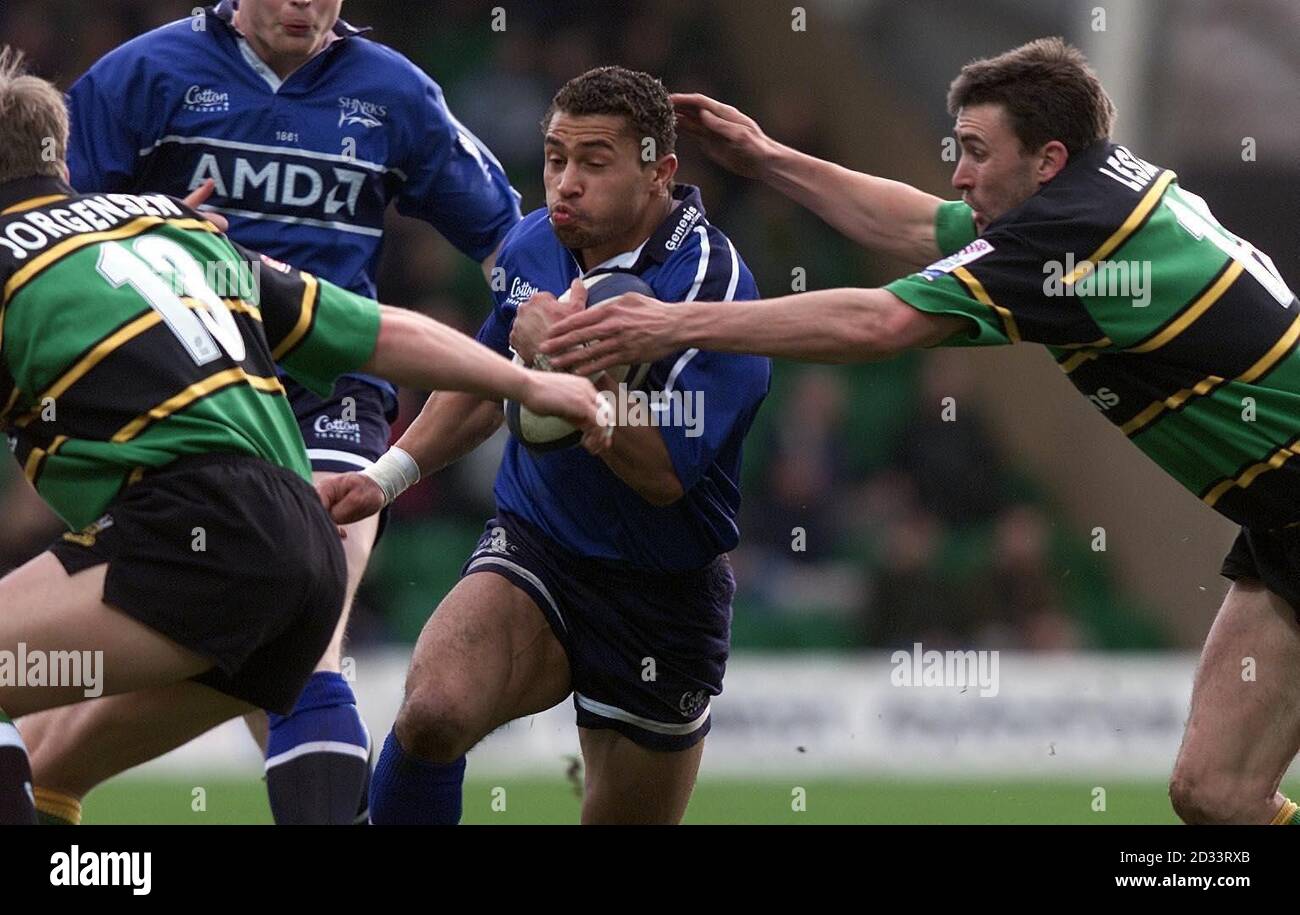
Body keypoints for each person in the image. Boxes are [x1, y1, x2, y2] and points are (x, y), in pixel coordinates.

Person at [541, 38, 1300, 825]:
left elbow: (880, 320)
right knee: (1216, 793)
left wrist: (671, 323)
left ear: (1048, 159)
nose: (959, 173)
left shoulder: (1076, 237)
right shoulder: (1097, 192)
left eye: (975, 152)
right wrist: (768, 158)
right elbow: (920, 224)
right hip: (1281, 525)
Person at [0, 45, 606, 825]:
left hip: (191, 530)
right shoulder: (171, 225)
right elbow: (376, 330)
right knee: (63, 753)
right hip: (297, 535)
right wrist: (526, 381)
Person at [321, 66, 771, 824]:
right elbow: (479, 381)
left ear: (660, 171)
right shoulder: (533, 246)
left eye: (594, 163)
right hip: (540, 545)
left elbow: (664, 473)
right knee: (433, 709)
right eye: (556, 158)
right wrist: (388, 475)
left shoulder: (714, 290)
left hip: (663, 592)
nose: (565, 183)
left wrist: (565, 361)